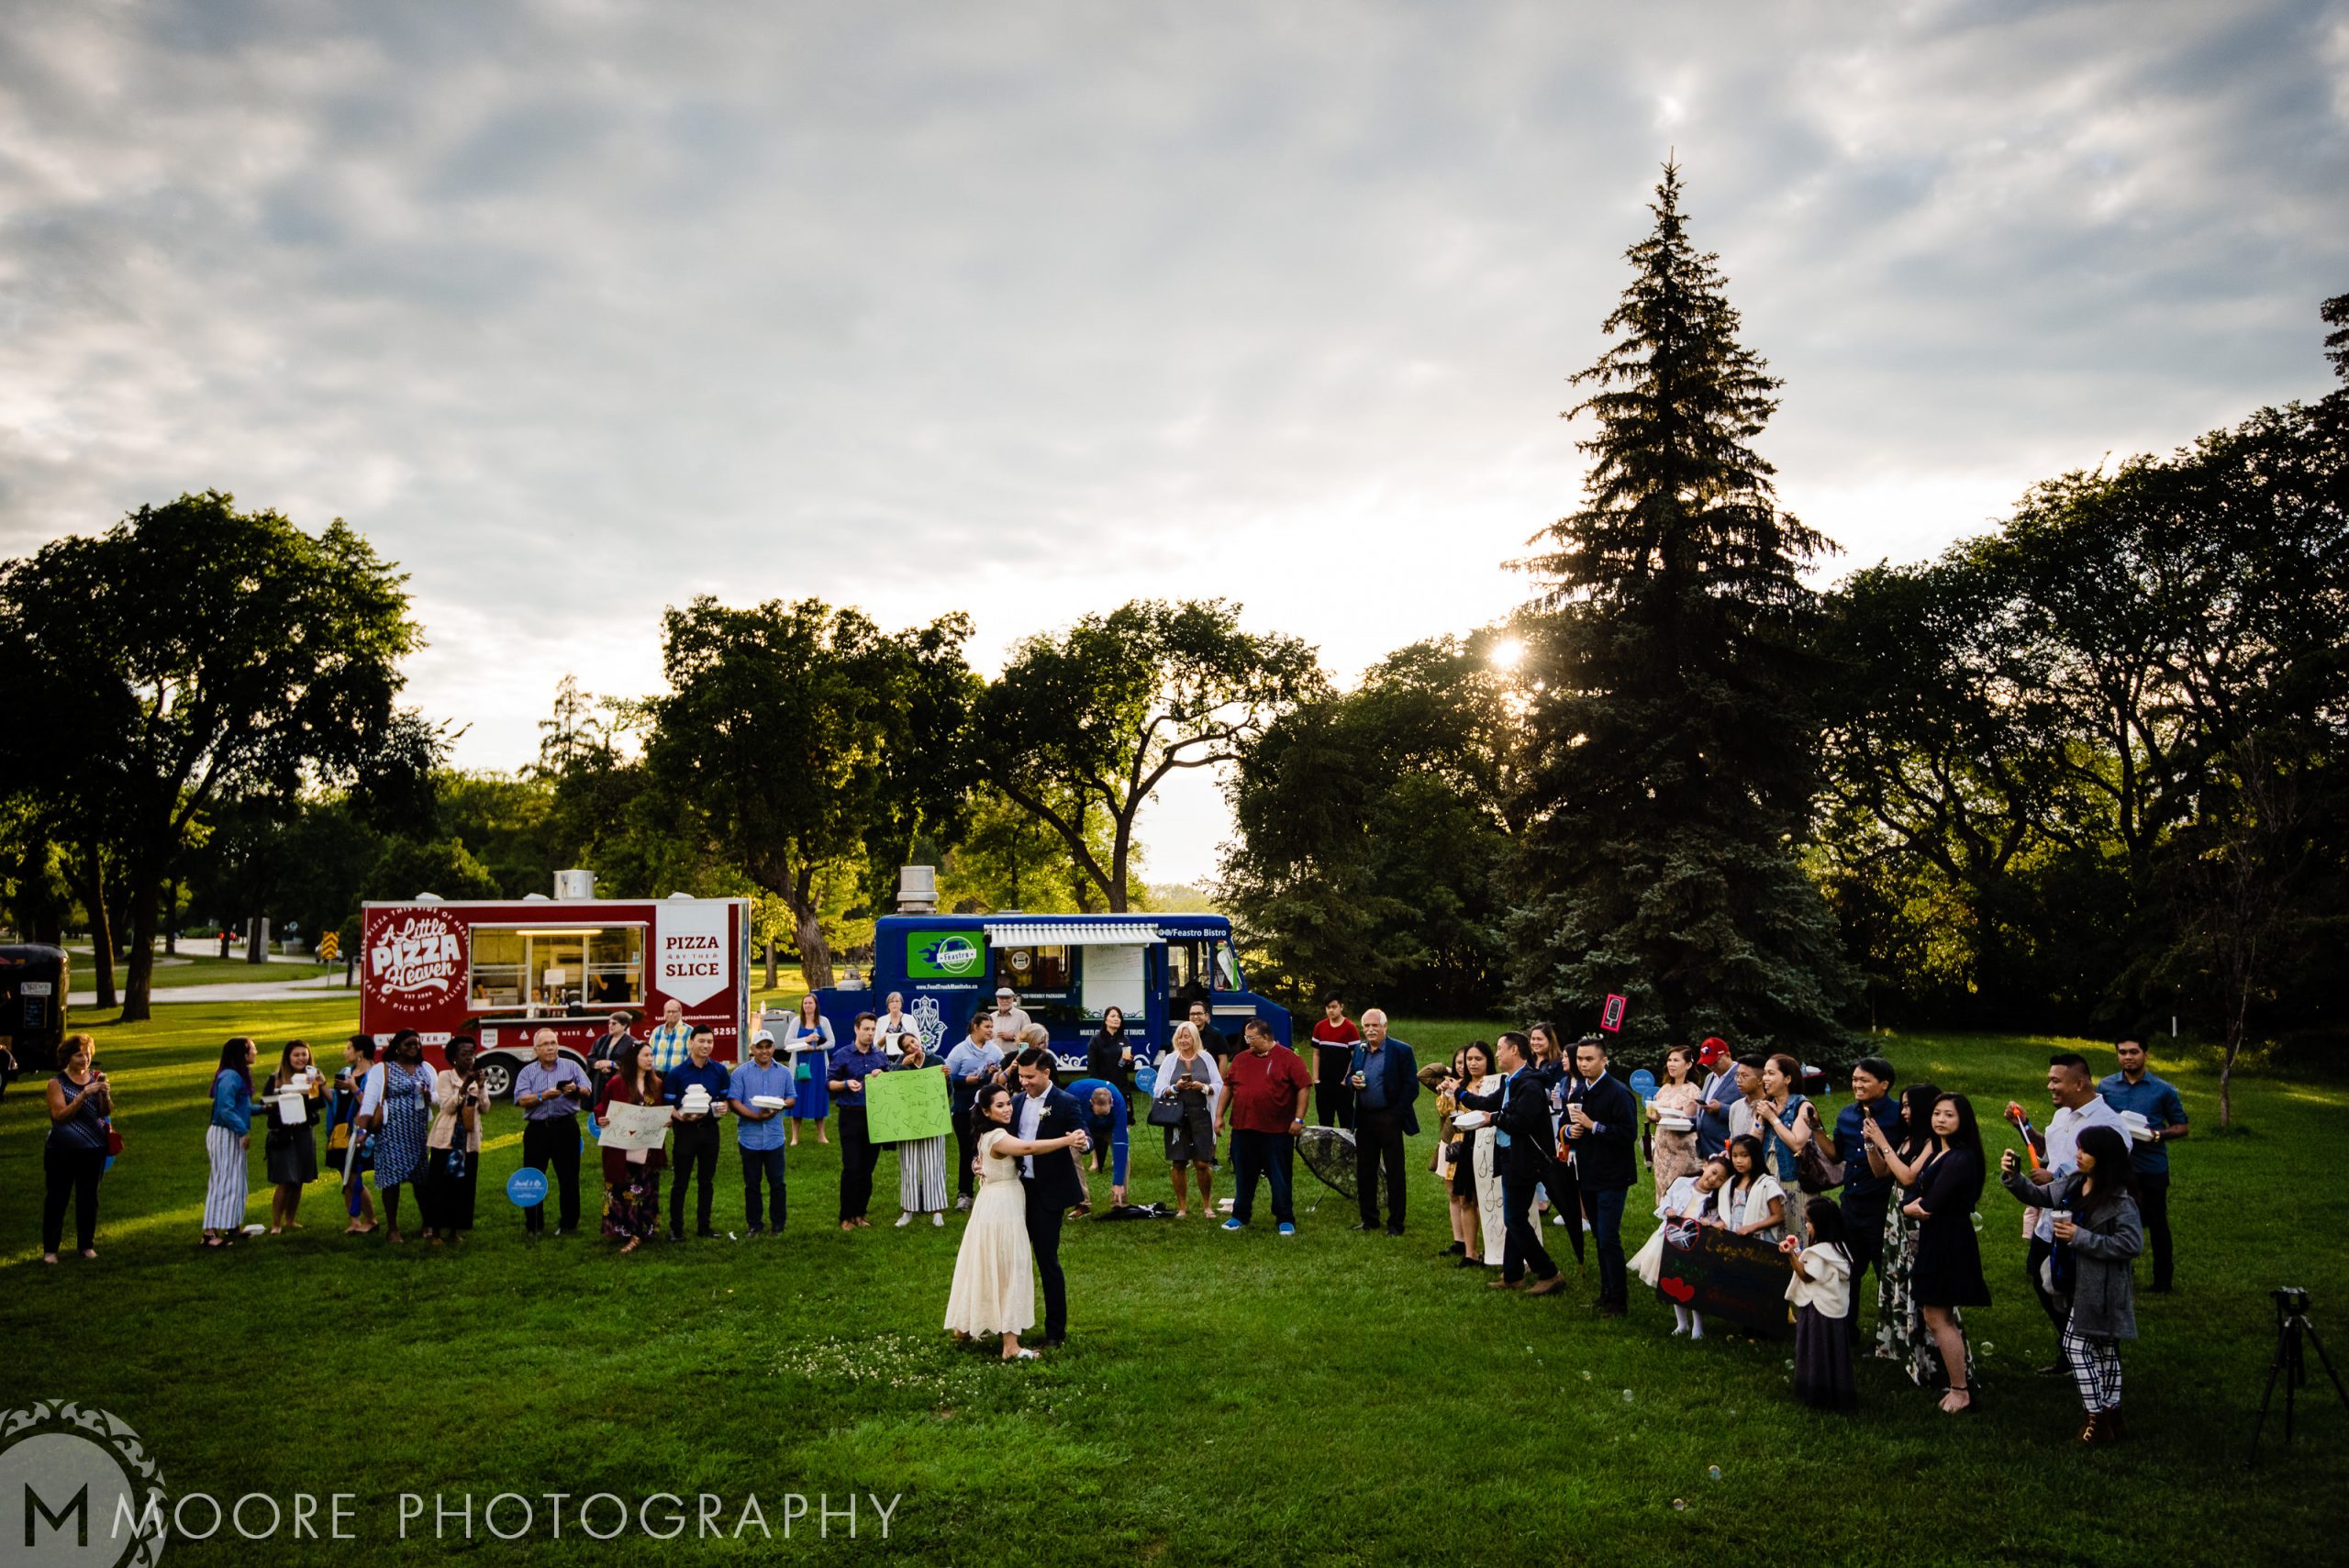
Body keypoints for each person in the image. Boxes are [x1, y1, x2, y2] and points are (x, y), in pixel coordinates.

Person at [2001, 1124, 2143, 1442]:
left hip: (2104, 1287)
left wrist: (2081, 1237)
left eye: (2085, 1150)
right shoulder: (2075, 1183)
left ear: (2104, 1157)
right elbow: (2039, 1195)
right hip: (2079, 1281)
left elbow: (2131, 1245)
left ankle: (2094, 1419)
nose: (2077, 1155)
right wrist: (2014, 1178)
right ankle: (2112, 1416)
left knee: (2075, 1346)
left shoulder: (2121, 1201)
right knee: (2104, 1350)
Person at [944, 1082, 1085, 1360]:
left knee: (985, 1264)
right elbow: (1029, 1147)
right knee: (1009, 1268)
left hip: (991, 1204)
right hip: (1002, 1209)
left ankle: (964, 1327)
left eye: (1008, 1103)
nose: (1008, 1108)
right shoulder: (998, 1136)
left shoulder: (988, 1133)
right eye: (1000, 1105)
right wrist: (1067, 1141)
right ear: (985, 1111)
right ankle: (1011, 1346)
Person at [1860, 1082, 1974, 1389]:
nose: (1905, 1111)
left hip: (1920, 1225)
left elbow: (1908, 1175)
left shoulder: (1934, 1145)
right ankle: (1903, 1347)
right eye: (1903, 1105)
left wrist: (1881, 1140)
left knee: (1927, 1294)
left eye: (1911, 1105)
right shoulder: (1910, 1139)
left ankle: (1936, 1360)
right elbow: (1882, 1172)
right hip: (1898, 1218)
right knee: (1901, 1283)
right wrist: (1872, 1144)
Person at [2020, 1053, 2127, 1372]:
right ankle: (2071, 1348)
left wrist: (2056, 1178)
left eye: (2056, 1080)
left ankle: (2097, 1357)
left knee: (2083, 1291)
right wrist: (2025, 1128)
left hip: (2085, 1222)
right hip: (2051, 1220)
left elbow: (2112, 1170)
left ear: (2079, 1083)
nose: (2049, 1085)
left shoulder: (2109, 1124)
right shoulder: (2062, 1116)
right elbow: (2047, 1151)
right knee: (2042, 1281)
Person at [1456, 1032, 1564, 1295]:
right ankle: (1513, 1274)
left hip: (1524, 1158)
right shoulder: (1511, 1081)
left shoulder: (1529, 1084)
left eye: (1500, 1048)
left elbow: (1520, 1121)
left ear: (1515, 1051)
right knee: (1514, 1216)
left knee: (1514, 1219)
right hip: (1510, 1156)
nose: (1497, 1054)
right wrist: (1458, 1090)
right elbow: (1486, 1104)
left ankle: (1548, 1273)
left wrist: (1491, 1119)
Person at [1908, 1093, 1990, 1414]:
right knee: (1935, 1314)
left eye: (1949, 1115)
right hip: (1936, 1237)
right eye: (1937, 1113)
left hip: (1948, 1241)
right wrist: (1914, 1205)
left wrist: (1917, 1206)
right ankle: (1958, 1383)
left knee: (1938, 1315)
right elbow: (1912, 1196)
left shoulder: (1959, 1158)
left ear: (1963, 1121)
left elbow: (1928, 1204)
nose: (1941, 1120)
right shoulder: (1938, 1154)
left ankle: (1961, 1390)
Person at [1011, 1047, 1090, 1349]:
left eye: (1030, 1076)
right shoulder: (1016, 1102)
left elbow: (1083, 1134)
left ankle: (1055, 1332)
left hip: (1048, 1192)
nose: (1024, 1082)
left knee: (1047, 1261)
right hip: (1017, 1190)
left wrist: (1084, 1142)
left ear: (1046, 1073)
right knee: (1014, 1260)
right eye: (1021, 1075)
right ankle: (1011, 1324)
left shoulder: (1065, 1101)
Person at [1813, 1056, 1902, 1321]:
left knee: (1886, 1272)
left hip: (1883, 1204)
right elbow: (1834, 1155)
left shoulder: (1898, 1116)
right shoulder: (1847, 1114)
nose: (1857, 1084)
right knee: (1848, 1268)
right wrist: (1816, 1127)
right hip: (1852, 1203)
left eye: (1864, 1080)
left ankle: (1890, 1335)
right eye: (1854, 1079)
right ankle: (1847, 1329)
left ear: (1884, 1084)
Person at [2099, 1039, 2188, 1293]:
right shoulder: (2106, 1086)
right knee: (2115, 1222)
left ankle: (2163, 1280)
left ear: (2145, 1055)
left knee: (2157, 1223)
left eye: (2134, 1052)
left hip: (2151, 1166)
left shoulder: (2163, 1090)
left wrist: (2159, 1135)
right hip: (2117, 1167)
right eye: (2123, 1052)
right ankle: (2121, 1273)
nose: (2128, 1057)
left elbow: (2182, 1126)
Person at [1218, 1018, 1313, 1235]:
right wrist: (1219, 1116)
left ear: (1267, 1037)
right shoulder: (1241, 1060)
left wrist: (1298, 1119)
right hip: (1244, 1129)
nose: (1247, 1042)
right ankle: (1240, 1215)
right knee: (1244, 1175)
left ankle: (1284, 1218)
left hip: (1277, 1131)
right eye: (1246, 1037)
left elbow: (1304, 1087)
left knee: (1279, 1175)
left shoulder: (1289, 1058)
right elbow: (1228, 1087)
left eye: (1252, 1038)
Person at [1567, 1036, 1639, 1315]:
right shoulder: (1578, 1092)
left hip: (1613, 1175)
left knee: (1609, 1237)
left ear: (1604, 1060)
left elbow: (1627, 1134)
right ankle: (1606, 1293)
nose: (1584, 1064)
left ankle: (1619, 1300)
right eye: (1580, 1059)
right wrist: (1570, 1132)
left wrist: (1592, 1125)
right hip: (1588, 1172)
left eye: (1589, 1059)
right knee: (1599, 1235)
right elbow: (1567, 1122)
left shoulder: (1618, 1092)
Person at [1632, 1156, 1731, 1338]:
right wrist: (1668, 1210)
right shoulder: (1682, 1183)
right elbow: (1666, 1200)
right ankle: (1682, 1323)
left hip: (1695, 1245)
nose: (1714, 1179)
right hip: (1672, 1239)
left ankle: (1698, 1325)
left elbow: (1720, 1220)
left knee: (1693, 1283)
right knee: (1674, 1281)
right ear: (1705, 1166)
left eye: (1720, 1179)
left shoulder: (1715, 1200)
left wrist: (1709, 1222)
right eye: (1713, 1173)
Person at [1348, 1009, 1420, 1236]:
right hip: (1365, 1118)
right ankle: (1369, 1218)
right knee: (1365, 1171)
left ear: (1385, 1026)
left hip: (1390, 1117)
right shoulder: (1359, 1050)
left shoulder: (1401, 1050)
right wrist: (1353, 1082)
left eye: (1375, 1026)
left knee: (1394, 1171)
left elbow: (1411, 1086)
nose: (1370, 1030)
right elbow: (1349, 1077)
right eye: (1366, 1026)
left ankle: (1396, 1223)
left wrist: (1395, 1115)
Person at [360, 1032, 437, 1245]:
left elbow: (439, 1096)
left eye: (417, 1044)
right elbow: (370, 1100)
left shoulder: (426, 1068)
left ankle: (428, 1223)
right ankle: (393, 1228)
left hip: (417, 1132)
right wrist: (362, 1130)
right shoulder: (382, 1069)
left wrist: (431, 1096)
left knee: (422, 1180)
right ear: (397, 1047)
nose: (414, 1047)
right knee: (392, 1181)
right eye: (409, 1044)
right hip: (391, 1132)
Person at [514, 1028, 592, 1236]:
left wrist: (575, 1089)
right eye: (545, 1044)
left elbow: (588, 1090)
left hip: (566, 1127)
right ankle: (534, 1225)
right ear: (536, 1049)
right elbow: (521, 1100)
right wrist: (542, 1097)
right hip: (537, 1130)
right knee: (533, 1177)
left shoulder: (571, 1066)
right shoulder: (527, 1072)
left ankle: (568, 1225)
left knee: (569, 1178)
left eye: (554, 1043)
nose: (551, 1047)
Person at [41, 1033, 110, 1263]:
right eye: (79, 1055)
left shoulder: (96, 1078)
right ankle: (51, 1250)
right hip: (62, 1150)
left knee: (89, 1199)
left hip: (94, 1148)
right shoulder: (56, 1083)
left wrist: (105, 1095)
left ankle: (86, 1245)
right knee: (57, 1199)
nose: (85, 1059)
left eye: (88, 1054)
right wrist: (82, 1096)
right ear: (68, 1057)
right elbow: (59, 1116)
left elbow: (105, 1112)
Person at [1783, 1198, 1858, 1411]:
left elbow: (1806, 1276)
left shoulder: (1819, 1253)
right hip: (1834, 1309)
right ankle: (1837, 1388)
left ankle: (1816, 1391)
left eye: (1809, 1221)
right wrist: (1799, 1253)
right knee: (1834, 1350)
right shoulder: (1839, 1248)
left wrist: (1791, 1256)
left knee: (1816, 1348)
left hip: (1817, 1309)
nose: (1806, 1225)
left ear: (1821, 1224)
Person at [660, 1024, 731, 1240]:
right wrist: (681, 1117)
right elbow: (668, 1104)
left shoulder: (719, 1071)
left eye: (710, 1041)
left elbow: (725, 1100)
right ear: (691, 1043)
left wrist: (724, 1108)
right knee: (680, 1182)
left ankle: (704, 1227)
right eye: (701, 1041)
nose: (706, 1045)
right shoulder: (677, 1073)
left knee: (706, 1181)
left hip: (710, 1131)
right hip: (685, 1133)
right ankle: (676, 1229)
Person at [595, 1040, 667, 1252]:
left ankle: (641, 1230)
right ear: (633, 1059)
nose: (650, 1059)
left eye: (651, 1056)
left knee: (644, 1187)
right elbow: (602, 1108)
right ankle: (624, 1229)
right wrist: (602, 1119)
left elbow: (660, 1110)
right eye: (646, 1055)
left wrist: (665, 1120)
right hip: (621, 1147)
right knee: (622, 1187)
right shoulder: (616, 1084)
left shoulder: (657, 1084)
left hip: (647, 1147)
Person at [729, 1029, 796, 1236]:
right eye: (760, 1047)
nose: (764, 1051)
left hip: (775, 1137)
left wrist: (779, 1105)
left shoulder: (783, 1072)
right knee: (752, 1184)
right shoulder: (741, 1073)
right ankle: (754, 1224)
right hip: (750, 1137)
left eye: (768, 1046)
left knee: (777, 1183)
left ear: (773, 1048)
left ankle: (778, 1224)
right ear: (753, 1048)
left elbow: (792, 1098)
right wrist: (755, 1116)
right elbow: (734, 1101)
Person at [421, 1036, 487, 1243]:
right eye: (464, 1054)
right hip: (446, 1140)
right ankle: (436, 1232)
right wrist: (465, 1086)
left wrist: (482, 1086)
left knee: (463, 1186)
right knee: (441, 1184)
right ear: (454, 1058)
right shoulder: (445, 1076)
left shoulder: (477, 1077)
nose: (470, 1058)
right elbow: (447, 1107)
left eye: (472, 1053)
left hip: (469, 1140)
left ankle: (454, 1230)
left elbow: (485, 1108)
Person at [1153, 1021, 1222, 1218]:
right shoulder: (1170, 1060)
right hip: (1177, 1117)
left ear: (1195, 1038)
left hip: (1201, 1114)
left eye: (1187, 1036)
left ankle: (1207, 1205)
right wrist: (1176, 1088)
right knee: (1179, 1162)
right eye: (1180, 1036)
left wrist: (1203, 1087)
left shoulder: (1206, 1058)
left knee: (1202, 1163)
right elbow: (1158, 1089)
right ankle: (1182, 1206)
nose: (1183, 1040)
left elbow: (1219, 1085)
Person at [828, 1013, 890, 1229]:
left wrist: (882, 1077)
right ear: (856, 1029)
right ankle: (846, 1216)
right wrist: (846, 1084)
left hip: (875, 1116)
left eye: (873, 1029)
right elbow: (829, 1084)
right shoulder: (842, 1055)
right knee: (852, 1167)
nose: (870, 1033)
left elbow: (891, 1084)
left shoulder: (880, 1057)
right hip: (851, 1115)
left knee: (867, 1169)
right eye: (866, 1029)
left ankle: (860, 1214)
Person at [260, 1040, 325, 1235]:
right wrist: (283, 1099)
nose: (300, 1058)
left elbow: (318, 1104)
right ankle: (276, 1223)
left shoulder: (312, 1078)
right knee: (286, 1179)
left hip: (304, 1131)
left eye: (304, 1054)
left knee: (299, 1179)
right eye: (296, 1055)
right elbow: (265, 1102)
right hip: (283, 1133)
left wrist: (311, 1090)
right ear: (288, 1057)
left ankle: (290, 1220)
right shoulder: (277, 1078)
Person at [1746, 1053, 1813, 1241]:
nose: (1765, 1079)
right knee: (1771, 1236)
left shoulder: (1803, 1106)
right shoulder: (1766, 1106)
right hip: (1768, 1175)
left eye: (1771, 1073)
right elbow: (1751, 1146)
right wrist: (1760, 1120)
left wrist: (1773, 1119)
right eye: (1764, 1073)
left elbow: (1797, 1143)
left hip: (1794, 1178)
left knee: (1796, 1233)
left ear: (1788, 1078)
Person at [1434, 1044, 1491, 1263]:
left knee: (1486, 1198)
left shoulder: (1493, 1083)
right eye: (1469, 1059)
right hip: (1462, 1144)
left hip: (1486, 1142)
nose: (1473, 1063)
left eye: (1478, 1059)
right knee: (1464, 1198)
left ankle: (1494, 1247)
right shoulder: (1461, 1084)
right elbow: (1445, 1111)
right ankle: (1470, 1252)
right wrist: (1447, 1092)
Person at [945, 1012, 1007, 1211]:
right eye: (987, 1027)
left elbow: (1002, 1075)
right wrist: (965, 1080)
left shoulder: (995, 1051)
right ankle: (964, 1194)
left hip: (987, 1111)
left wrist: (994, 1075)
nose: (991, 1030)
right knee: (967, 1152)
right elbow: (947, 1077)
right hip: (964, 1110)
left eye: (992, 1027)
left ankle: (989, 1192)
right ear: (975, 1027)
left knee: (988, 1150)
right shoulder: (959, 1051)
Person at [890, 1037, 952, 1229]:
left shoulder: (937, 1061)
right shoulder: (900, 1064)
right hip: (907, 1121)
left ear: (919, 1041)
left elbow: (947, 1092)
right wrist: (902, 1067)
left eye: (913, 1042)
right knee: (908, 1165)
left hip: (932, 1121)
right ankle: (908, 1210)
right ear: (904, 1051)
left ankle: (937, 1210)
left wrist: (946, 1078)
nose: (912, 1046)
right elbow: (890, 1088)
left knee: (934, 1164)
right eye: (907, 1046)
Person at [202, 1037, 257, 1248]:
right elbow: (225, 1109)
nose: (255, 1052)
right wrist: (243, 1131)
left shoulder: (236, 1075)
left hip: (231, 1132)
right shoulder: (230, 1076)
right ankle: (209, 1233)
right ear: (242, 1054)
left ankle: (232, 1225)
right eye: (252, 1049)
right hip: (225, 1133)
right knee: (223, 1180)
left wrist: (265, 1108)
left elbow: (240, 1107)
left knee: (236, 1181)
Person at [325, 1036, 378, 1235]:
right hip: (340, 1131)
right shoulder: (345, 1073)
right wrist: (322, 1086)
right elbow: (336, 1102)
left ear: (360, 1052)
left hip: (360, 1132)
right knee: (345, 1176)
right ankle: (354, 1220)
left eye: (348, 1048)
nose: (344, 1052)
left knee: (354, 1176)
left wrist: (354, 1088)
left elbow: (371, 1104)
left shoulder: (374, 1075)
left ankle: (371, 1220)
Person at [1644, 1044, 1703, 1202]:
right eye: (1669, 1060)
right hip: (1662, 1148)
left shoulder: (1693, 1090)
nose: (1671, 1064)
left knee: (1679, 1192)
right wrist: (1651, 1115)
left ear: (1688, 1065)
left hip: (1682, 1149)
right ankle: (1665, 1224)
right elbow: (1654, 1115)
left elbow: (1693, 1121)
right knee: (1663, 1189)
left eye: (1676, 1060)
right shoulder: (1664, 1088)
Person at [1067, 1079, 1131, 1207]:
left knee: (1125, 1158)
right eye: (1099, 1114)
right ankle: (1082, 1204)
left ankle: (1120, 1202)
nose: (1102, 1117)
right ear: (1091, 1103)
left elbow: (1121, 1144)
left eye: (1105, 1114)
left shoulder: (1119, 1102)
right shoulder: (1074, 1093)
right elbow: (1067, 1118)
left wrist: (1117, 1182)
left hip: (1110, 1127)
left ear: (1111, 1102)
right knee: (1072, 1157)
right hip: (1083, 1124)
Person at [1718, 1135, 1787, 1242]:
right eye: (1734, 1156)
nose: (1738, 1161)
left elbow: (1778, 1216)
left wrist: (1751, 1227)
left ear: (1755, 1156)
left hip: (1759, 1240)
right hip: (1734, 1237)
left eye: (1744, 1156)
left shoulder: (1766, 1184)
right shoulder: (1730, 1183)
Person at [786, 992, 835, 1146]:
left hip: (818, 1065)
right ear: (802, 1005)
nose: (808, 1005)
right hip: (800, 1064)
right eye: (805, 1003)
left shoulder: (823, 1021)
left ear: (815, 1005)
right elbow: (787, 1043)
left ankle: (821, 1135)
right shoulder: (796, 1022)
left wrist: (818, 1048)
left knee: (819, 1097)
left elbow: (832, 1042)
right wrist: (804, 1041)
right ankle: (795, 1137)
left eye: (810, 1003)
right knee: (798, 1098)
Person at [1309, 995, 1363, 1130]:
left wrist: (1346, 1079)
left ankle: (1349, 1150)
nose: (1331, 1010)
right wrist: (1316, 1079)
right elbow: (1316, 1054)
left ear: (1341, 1007)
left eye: (1334, 1007)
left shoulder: (1350, 1028)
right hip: (1323, 1084)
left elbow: (1354, 1057)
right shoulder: (1320, 1027)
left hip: (1343, 1085)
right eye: (1328, 1008)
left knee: (1346, 1122)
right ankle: (1326, 1151)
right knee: (1325, 1123)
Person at [1693, 1038, 1742, 1160]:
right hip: (1705, 1149)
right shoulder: (1710, 1077)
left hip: (1725, 1149)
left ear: (1727, 1055)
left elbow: (1747, 1111)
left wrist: (1721, 1109)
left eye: (1715, 1062)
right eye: (1707, 1064)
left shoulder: (1741, 1076)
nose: (1711, 1066)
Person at [1085, 1006, 1137, 1114]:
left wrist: (1129, 1061)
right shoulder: (1096, 1040)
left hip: (1122, 1087)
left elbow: (1130, 1068)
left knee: (1124, 1120)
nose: (1116, 1019)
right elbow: (1092, 1067)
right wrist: (1098, 1086)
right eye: (1113, 1016)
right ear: (1105, 1020)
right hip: (1103, 1087)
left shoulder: (1125, 1040)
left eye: (1118, 1017)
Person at [587, 1011, 638, 1087]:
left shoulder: (632, 1042)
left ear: (624, 1025)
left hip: (621, 1082)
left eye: (614, 1023)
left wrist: (612, 1064)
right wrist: (599, 1064)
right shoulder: (602, 1039)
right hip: (600, 1082)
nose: (610, 1026)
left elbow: (633, 1062)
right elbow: (591, 1056)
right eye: (609, 1023)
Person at [644, 997, 694, 1075]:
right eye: (668, 1012)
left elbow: (693, 1058)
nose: (671, 1014)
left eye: (674, 1012)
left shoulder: (689, 1032)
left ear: (680, 1012)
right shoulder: (656, 1031)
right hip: (656, 1077)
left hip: (678, 1077)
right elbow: (649, 1054)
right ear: (664, 1013)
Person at [1186, 999, 1230, 1073]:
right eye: (1192, 1014)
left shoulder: (1216, 1035)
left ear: (1206, 1016)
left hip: (1210, 1080)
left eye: (1199, 1013)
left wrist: (1219, 1081)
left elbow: (1223, 1059)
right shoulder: (1183, 1035)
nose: (1195, 1017)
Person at [875, 992, 922, 1056]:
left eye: (897, 1001)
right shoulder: (880, 1021)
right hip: (886, 1058)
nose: (894, 1004)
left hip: (907, 1057)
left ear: (901, 1004)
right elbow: (875, 1046)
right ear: (888, 1005)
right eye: (892, 1001)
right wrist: (882, 1040)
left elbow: (918, 1040)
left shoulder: (910, 1019)